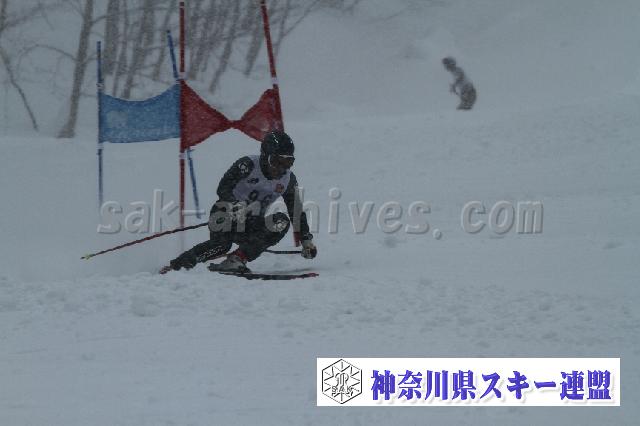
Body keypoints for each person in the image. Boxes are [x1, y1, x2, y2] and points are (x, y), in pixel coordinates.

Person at [165, 130, 317, 273]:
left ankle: (237, 259)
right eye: (277, 161)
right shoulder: (247, 165)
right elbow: (223, 187)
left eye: (288, 162)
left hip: (252, 223)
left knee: (281, 222)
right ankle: (177, 266)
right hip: (225, 214)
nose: (281, 169)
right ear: (265, 156)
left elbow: (296, 210)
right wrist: (234, 204)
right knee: (221, 246)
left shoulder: (288, 180)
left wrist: (305, 239)